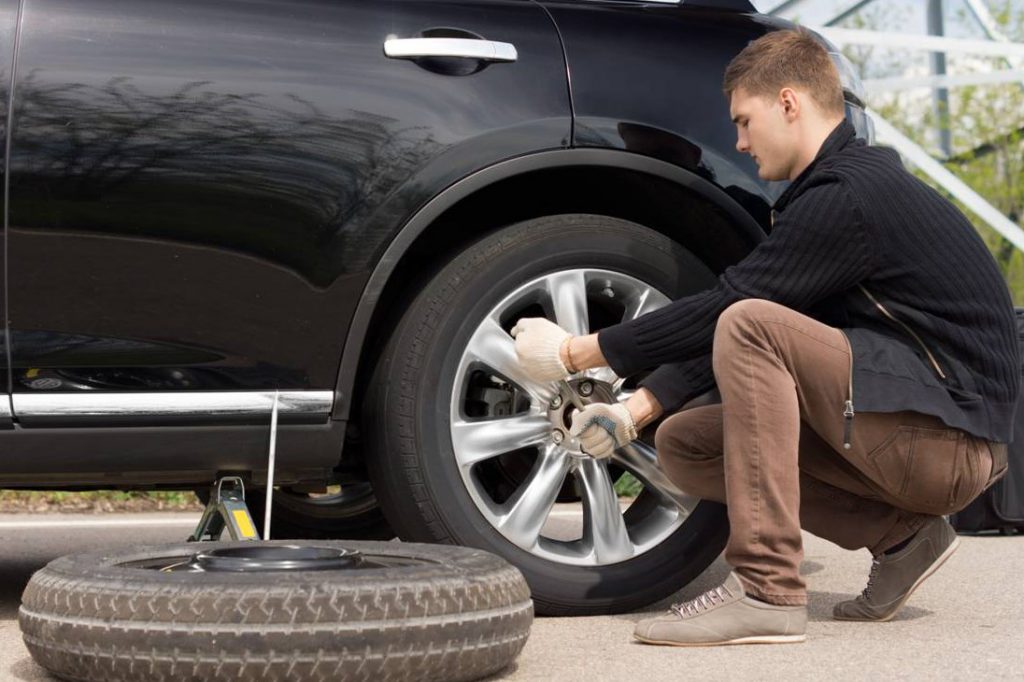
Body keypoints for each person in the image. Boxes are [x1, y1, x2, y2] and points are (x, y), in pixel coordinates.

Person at [510, 28, 1016, 647]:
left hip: (950, 443)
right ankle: (903, 537)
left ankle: (767, 589)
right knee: (687, 445)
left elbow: (739, 312)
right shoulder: (836, 192)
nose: (740, 142)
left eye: (745, 122)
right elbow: (763, 310)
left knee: (748, 321)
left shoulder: (848, 197)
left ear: (788, 103)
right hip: (922, 427)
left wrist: (576, 351)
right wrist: (640, 408)